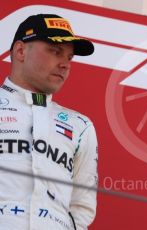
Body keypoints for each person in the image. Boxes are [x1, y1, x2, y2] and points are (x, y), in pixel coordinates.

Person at [0, 14, 98, 230]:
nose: (65, 65)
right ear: (20, 51)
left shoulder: (80, 125)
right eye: (55, 52)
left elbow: (82, 206)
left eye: (70, 58)